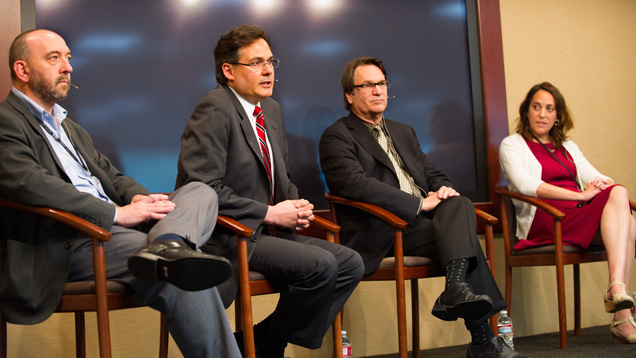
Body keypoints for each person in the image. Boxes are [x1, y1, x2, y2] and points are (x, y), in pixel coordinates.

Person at [0, 29, 242, 357]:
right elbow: (28, 182)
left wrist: (138, 198)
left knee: (199, 191)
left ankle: (168, 244)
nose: (68, 67)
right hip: (73, 240)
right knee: (179, 272)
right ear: (22, 70)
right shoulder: (6, 121)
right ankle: (170, 251)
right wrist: (117, 213)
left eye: (69, 58)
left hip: (118, 230)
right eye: (54, 58)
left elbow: (111, 175)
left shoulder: (69, 128)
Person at [175, 25, 364, 357]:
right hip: (231, 236)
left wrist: (294, 204)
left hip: (270, 231)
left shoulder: (271, 110)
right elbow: (201, 187)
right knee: (321, 265)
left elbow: (278, 175)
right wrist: (269, 212)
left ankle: (265, 341)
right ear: (228, 71)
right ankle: (268, 346)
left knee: (350, 263)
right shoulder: (214, 109)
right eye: (257, 63)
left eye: (271, 61)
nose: (268, 70)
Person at [320, 56, 527, 358]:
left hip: (425, 223)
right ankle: (482, 338)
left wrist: (444, 188)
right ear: (349, 95)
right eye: (368, 85)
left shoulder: (403, 131)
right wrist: (418, 203)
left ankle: (456, 289)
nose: (378, 91)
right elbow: (355, 184)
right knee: (464, 239)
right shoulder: (336, 136)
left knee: (459, 204)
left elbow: (431, 171)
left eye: (382, 84)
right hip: (383, 230)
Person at [499, 81, 636, 344]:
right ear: (526, 111)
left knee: (622, 202)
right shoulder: (512, 145)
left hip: (574, 216)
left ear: (558, 115)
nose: (542, 114)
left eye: (550, 109)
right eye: (536, 107)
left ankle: (618, 300)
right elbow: (526, 185)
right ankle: (621, 307)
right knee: (625, 213)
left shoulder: (567, 146)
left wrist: (602, 185)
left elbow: (595, 175)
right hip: (547, 220)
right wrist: (581, 195)